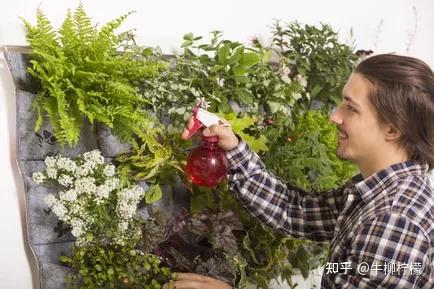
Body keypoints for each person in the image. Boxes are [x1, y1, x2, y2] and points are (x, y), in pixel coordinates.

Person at [163, 54, 434, 289]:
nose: (334, 116)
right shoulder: (379, 192)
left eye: (351, 108)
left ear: (392, 129)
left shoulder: (393, 220)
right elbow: (295, 211)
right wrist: (232, 147)